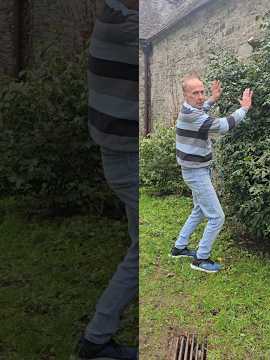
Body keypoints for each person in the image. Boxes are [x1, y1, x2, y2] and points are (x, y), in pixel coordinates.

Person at [76, 0, 139, 359]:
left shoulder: (116, 16)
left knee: (140, 245)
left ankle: (97, 339)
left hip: (122, 154)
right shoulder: (127, 29)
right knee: (145, 248)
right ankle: (95, 342)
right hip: (127, 158)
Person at [171, 72, 253, 273]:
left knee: (199, 210)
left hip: (196, 169)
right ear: (186, 95)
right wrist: (244, 109)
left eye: (202, 91)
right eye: (195, 93)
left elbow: (202, 109)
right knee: (217, 217)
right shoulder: (194, 116)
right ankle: (201, 259)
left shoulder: (189, 110)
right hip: (196, 173)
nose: (200, 96)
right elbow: (223, 125)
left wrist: (212, 99)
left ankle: (179, 248)